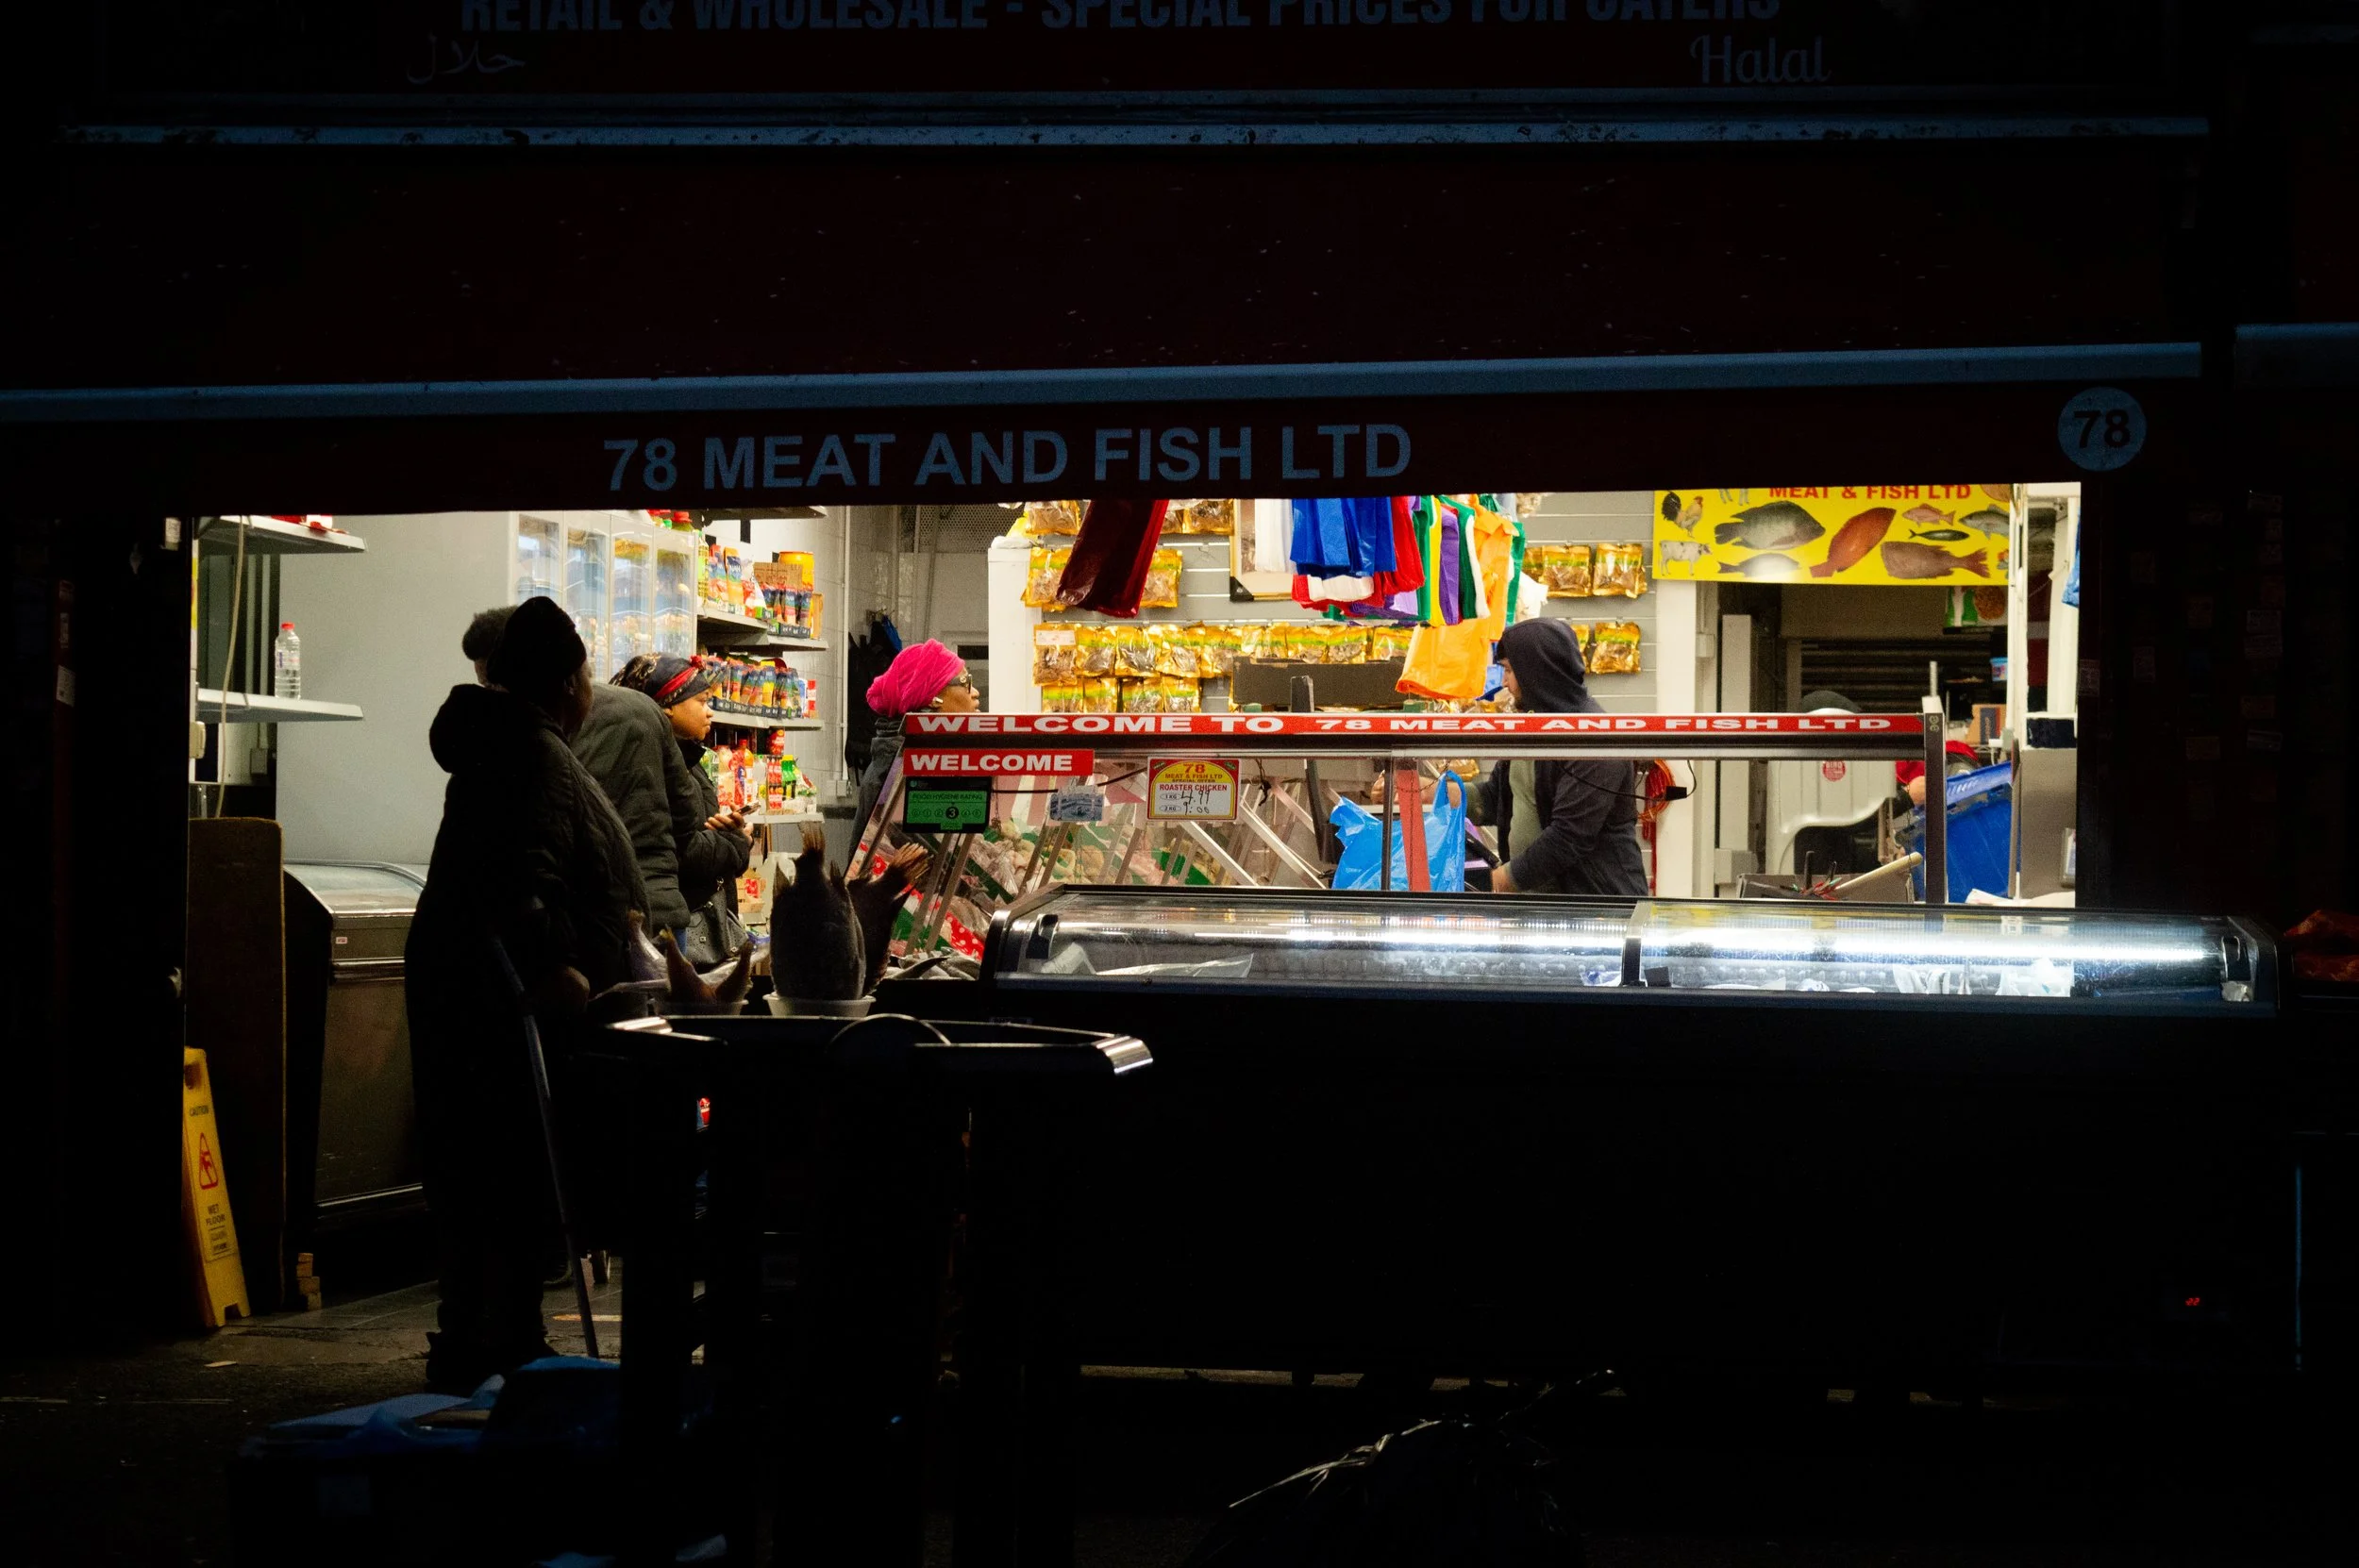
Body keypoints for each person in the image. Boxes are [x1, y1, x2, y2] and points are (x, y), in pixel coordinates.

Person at [407, 595, 644, 1391]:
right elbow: (523, 878)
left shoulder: (513, 744)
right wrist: (556, 968)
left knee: (489, 1176)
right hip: (503, 1012)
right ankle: (492, 1345)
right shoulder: (528, 754)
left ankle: (490, 1334)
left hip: (477, 1002)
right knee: (502, 1174)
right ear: (570, 679)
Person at [1477, 617, 1649, 897]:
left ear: (1534, 672)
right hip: (1542, 905)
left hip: (1596, 907)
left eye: (1508, 670)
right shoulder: (1533, 730)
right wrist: (1433, 793)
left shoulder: (1594, 737)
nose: (1505, 683)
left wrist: (1497, 882)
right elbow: (1493, 797)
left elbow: (1569, 837)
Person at [615, 653, 753, 960]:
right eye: (702, 701)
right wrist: (736, 844)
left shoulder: (691, 762)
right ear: (667, 706)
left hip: (700, 922)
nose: (710, 714)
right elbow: (681, 849)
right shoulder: (653, 766)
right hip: (673, 924)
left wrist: (735, 834)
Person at [855, 640, 978, 829]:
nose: (975, 693)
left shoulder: (925, 758)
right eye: (965, 682)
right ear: (933, 698)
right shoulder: (902, 767)